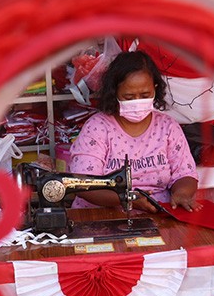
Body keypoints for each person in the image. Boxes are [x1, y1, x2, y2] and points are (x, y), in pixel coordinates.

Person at [69, 50, 201, 213]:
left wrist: (182, 193)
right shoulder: (97, 128)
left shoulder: (167, 127)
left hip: (156, 214)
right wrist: (129, 199)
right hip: (102, 214)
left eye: (145, 95)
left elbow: (185, 173)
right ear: (114, 93)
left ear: (155, 88)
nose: (137, 101)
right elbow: (83, 184)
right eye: (129, 97)